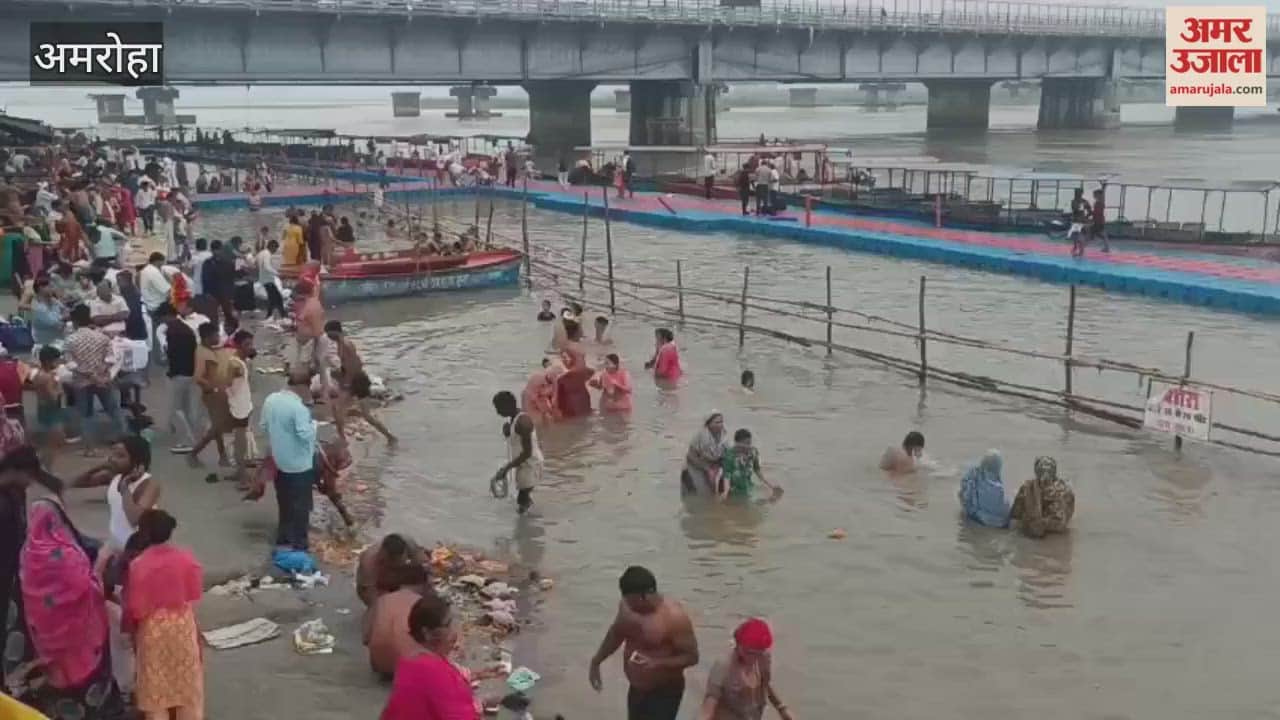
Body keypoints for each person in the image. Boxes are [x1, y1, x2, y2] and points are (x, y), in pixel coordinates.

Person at [0, 446, 129, 719]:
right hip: (75, 641)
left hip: (41, 629)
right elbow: (86, 585)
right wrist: (102, 562)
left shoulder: (31, 554)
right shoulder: (66, 554)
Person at [589, 566, 699, 720]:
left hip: (665, 692)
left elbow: (692, 657)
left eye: (632, 602)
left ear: (644, 596)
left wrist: (657, 663)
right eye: (626, 600)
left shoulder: (674, 619)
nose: (629, 606)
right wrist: (596, 661)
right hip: (636, 690)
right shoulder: (627, 607)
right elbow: (616, 634)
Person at [125, 509, 204, 720]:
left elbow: (136, 609)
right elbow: (194, 593)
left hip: (154, 629)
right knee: (186, 688)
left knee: (155, 689)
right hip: (183, 624)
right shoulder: (187, 559)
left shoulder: (139, 565)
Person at [379, 594, 480, 720]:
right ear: (428, 633)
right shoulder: (433, 670)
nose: (454, 631)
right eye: (448, 625)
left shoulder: (408, 661)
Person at [261, 368, 318, 550]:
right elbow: (305, 435)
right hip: (299, 465)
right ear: (304, 387)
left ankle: (283, 537)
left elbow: (263, 426)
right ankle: (300, 544)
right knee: (301, 506)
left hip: (279, 461)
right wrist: (314, 425)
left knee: (284, 502)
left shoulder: (271, 400)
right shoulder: (298, 408)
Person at [70, 435, 160, 551]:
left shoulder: (149, 484)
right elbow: (77, 483)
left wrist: (125, 490)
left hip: (138, 549)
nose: (112, 459)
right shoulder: (114, 477)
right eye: (113, 455)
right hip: (115, 544)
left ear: (137, 460)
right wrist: (99, 467)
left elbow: (135, 519)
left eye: (120, 456)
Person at [698, 618, 794, 720]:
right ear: (738, 645)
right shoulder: (723, 666)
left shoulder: (763, 658)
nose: (753, 658)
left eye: (758, 653)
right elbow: (708, 706)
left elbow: (765, 684)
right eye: (749, 652)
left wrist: (781, 708)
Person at [65, 304, 124, 452]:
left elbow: (71, 364)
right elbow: (111, 359)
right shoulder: (103, 338)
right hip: (102, 380)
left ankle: (89, 447)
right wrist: (99, 374)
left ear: (75, 321)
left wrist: (89, 374)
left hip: (82, 382)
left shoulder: (70, 340)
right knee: (113, 409)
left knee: (86, 414)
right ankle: (124, 440)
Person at [364, 563, 434, 679]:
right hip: (409, 667)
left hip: (380, 666)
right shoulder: (422, 603)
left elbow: (366, 638)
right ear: (423, 584)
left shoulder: (381, 600)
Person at [188, 321, 233, 467]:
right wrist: (213, 388)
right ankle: (194, 453)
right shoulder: (203, 353)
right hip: (213, 395)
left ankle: (223, 456)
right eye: (215, 335)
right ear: (207, 337)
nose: (218, 337)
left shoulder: (206, 349)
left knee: (217, 426)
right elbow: (197, 376)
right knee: (217, 427)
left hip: (217, 393)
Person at [492, 390, 543, 514]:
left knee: (522, 501)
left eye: (498, 408)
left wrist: (506, 468)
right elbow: (517, 441)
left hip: (530, 465)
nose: (497, 412)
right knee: (524, 501)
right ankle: (534, 520)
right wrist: (508, 433)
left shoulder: (523, 422)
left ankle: (532, 522)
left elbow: (527, 452)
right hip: (523, 464)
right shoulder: (514, 420)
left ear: (507, 406)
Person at [161, 304, 200, 454]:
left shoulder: (172, 331)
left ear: (167, 315)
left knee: (176, 409)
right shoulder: (185, 328)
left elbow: (173, 355)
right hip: (190, 372)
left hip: (179, 373)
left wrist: (171, 372)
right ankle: (193, 437)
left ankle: (186, 441)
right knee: (187, 408)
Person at [1009, 456, 1075, 538]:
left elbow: (1015, 516)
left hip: (1039, 531)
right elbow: (1067, 515)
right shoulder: (1066, 489)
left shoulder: (1027, 487)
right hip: (1055, 533)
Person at [290, 278, 332, 405]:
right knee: (319, 368)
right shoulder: (312, 303)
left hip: (314, 340)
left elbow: (316, 329)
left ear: (302, 293)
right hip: (312, 340)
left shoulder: (310, 307)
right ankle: (320, 395)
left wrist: (311, 346)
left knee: (309, 370)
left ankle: (313, 397)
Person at [356, 533, 428, 608]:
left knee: (421, 574)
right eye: (396, 563)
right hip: (373, 585)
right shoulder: (368, 563)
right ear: (384, 557)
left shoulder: (407, 541)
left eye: (403, 561)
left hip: (392, 575)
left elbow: (421, 560)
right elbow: (370, 595)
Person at [225, 329, 257, 472]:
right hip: (239, 405)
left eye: (251, 344)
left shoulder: (241, 362)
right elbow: (227, 382)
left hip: (242, 404)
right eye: (246, 344)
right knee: (240, 438)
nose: (250, 347)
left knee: (240, 438)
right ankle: (241, 470)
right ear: (238, 345)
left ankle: (241, 470)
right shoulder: (235, 364)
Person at [720, 429, 781, 499]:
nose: (747, 446)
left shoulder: (753, 452)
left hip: (749, 485)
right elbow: (727, 475)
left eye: (749, 443)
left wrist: (769, 484)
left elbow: (757, 469)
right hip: (735, 489)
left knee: (764, 500)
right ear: (736, 443)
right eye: (744, 443)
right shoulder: (729, 455)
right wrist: (726, 491)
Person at [32, 346, 67, 467]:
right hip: (51, 411)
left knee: (53, 443)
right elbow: (54, 397)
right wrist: (59, 388)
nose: (58, 363)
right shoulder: (47, 377)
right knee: (52, 444)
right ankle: (45, 467)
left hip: (44, 410)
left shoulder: (39, 374)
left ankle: (43, 466)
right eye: (56, 360)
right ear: (48, 361)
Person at [958, 449, 1009, 528]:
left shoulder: (974, 474)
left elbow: (964, 494)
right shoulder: (999, 487)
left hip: (976, 517)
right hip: (997, 522)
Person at [682, 412, 728, 496]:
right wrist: (706, 468)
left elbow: (726, 453)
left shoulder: (724, 435)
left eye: (721, 422)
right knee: (705, 491)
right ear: (708, 424)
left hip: (715, 463)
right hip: (698, 465)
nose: (720, 425)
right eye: (717, 422)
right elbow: (690, 456)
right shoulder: (700, 436)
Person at [257, 239, 286, 320]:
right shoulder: (267, 254)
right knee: (278, 298)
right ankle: (283, 315)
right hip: (268, 280)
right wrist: (278, 274)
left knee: (272, 298)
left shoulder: (261, 253)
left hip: (264, 279)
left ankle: (270, 315)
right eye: (275, 248)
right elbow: (267, 267)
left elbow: (256, 264)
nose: (275, 251)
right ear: (272, 246)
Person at [138, 252, 172, 316]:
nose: (163, 264)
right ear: (158, 261)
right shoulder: (154, 272)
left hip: (149, 305)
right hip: (158, 307)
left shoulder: (145, 270)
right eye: (163, 262)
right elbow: (167, 290)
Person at [1068, 187, 1091, 258]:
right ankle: (1076, 247)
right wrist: (1086, 216)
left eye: (1077, 192)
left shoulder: (1078, 201)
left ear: (1080, 193)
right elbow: (1075, 209)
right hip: (1077, 220)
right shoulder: (1078, 201)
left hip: (1079, 221)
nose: (1076, 194)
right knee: (1076, 236)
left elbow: (1076, 210)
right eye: (1076, 192)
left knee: (1079, 236)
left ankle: (1081, 251)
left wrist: (1086, 217)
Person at [1089, 188, 1111, 253]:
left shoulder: (1099, 203)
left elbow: (1098, 212)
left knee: (1100, 233)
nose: (1093, 196)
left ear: (1098, 195)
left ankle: (1106, 247)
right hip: (1098, 220)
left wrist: (1092, 214)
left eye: (1094, 194)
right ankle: (1106, 247)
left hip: (1099, 221)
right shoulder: (1098, 202)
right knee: (1099, 233)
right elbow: (1096, 212)